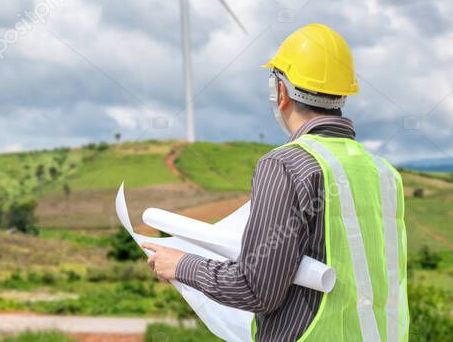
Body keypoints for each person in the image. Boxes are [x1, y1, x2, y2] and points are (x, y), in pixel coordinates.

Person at [143, 24, 408, 341]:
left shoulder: (285, 164)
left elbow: (256, 289)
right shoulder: (384, 173)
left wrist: (182, 264)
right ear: (343, 95)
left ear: (280, 92)